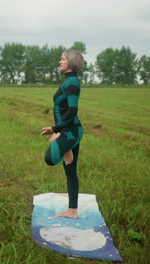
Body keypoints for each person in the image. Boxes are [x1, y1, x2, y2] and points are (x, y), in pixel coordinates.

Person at [41, 49, 84, 219]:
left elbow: (72, 110)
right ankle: (72, 211)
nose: (60, 61)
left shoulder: (72, 82)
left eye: (63, 59)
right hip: (69, 131)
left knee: (50, 159)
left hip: (71, 131)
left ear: (70, 62)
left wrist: (56, 129)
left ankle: (68, 146)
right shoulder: (68, 81)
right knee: (70, 172)